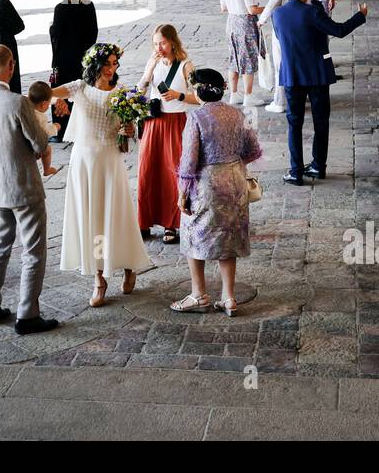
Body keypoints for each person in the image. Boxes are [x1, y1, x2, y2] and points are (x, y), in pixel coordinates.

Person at [51, 42, 153, 307]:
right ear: (95, 65)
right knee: (92, 219)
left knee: (116, 215)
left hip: (109, 160)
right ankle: (99, 278)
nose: (112, 68)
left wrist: (129, 130)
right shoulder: (79, 87)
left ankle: (129, 264)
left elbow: (131, 130)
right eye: (107, 63)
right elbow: (44, 94)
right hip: (83, 161)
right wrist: (58, 98)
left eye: (114, 64)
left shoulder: (122, 95)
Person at [0, 45, 59, 335]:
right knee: (33, 250)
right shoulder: (18, 102)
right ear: (11, 65)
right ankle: (27, 314)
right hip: (23, 185)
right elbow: (40, 143)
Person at [169, 68, 263, 317]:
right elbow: (253, 149)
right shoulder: (236, 111)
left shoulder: (197, 117)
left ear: (200, 90)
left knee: (192, 233)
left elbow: (189, 162)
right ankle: (229, 298)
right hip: (235, 179)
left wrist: (182, 192)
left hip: (207, 183)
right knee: (229, 238)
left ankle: (198, 295)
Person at [272, 0, 369, 184]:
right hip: (317, 74)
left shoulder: (277, 14)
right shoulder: (312, 12)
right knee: (321, 122)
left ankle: (295, 171)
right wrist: (360, 16)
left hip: (292, 75)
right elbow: (339, 31)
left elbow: (284, 40)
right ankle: (317, 166)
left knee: (294, 124)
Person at [136, 24, 201, 244]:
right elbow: (140, 91)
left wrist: (179, 95)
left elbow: (199, 97)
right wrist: (148, 71)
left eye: (162, 43)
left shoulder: (186, 65)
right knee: (148, 169)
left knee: (173, 172)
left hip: (176, 123)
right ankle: (144, 220)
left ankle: (171, 224)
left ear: (172, 42)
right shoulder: (152, 63)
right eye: (155, 43)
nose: (159, 47)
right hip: (154, 122)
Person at [48, 0, 98, 139]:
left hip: (65, 57)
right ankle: (82, 127)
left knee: (62, 91)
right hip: (84, 56)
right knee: (82, 90)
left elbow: (57, 35)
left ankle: (60, 130)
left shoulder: (61, 8)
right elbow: (93, 32)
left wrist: (51, 28)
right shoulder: (88, 5)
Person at [220, 0, 265, 106]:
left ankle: (234, 94)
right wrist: (269, 8)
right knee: (248, 58)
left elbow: (223, 8)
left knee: (234, 57)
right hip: (245, 23)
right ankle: (248, 95)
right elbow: (252, 9)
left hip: (231, 22)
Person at [260, 0, 299, 114]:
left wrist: (261, 21)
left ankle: (280, 101)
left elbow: (270, 7)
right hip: (299, 31)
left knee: (280, 66)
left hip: (281, 32)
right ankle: (295, 97)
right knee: (295, 64)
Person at [26, 81, 59, 177]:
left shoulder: (27, 109)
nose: (48, 106)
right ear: (43, 104)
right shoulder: (41, 116)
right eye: (48, 104)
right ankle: (47, 169)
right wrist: (55, 126)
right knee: (47, 149)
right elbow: (46, 132)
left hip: (25, 141)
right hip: (34, 145)